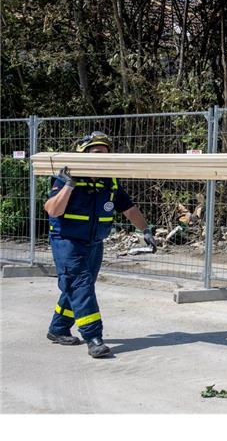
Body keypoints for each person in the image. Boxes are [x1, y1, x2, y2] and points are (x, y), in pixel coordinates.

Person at [43, 131, 155, 358]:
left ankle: (58, 328)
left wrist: (146, 230)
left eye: (105, 153)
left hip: (94, 242)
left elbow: (129, 209)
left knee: (76, 286)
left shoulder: (109, 181)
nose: (101, 157)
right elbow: (53, 210)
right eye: (96, 153)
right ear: (82, 155)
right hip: (67, 241)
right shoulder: (66, 177)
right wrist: (68, 185)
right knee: (81, 285)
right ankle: (93, 338)